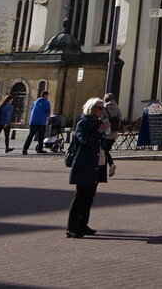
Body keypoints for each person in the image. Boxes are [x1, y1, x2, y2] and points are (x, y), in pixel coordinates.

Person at [66, 97, 111, 238]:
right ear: (91, 109)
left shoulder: (98, 123)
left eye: (102, 108)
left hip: (96, 164)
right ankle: (72, 227)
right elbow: (85, 141)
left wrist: (110, 162)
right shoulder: (83, 124)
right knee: (80, 196)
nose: (102, 110)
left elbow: (102, 145)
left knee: (89, 197)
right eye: (99, 108)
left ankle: (83, 224)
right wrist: (99, 131)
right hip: (84, 164)